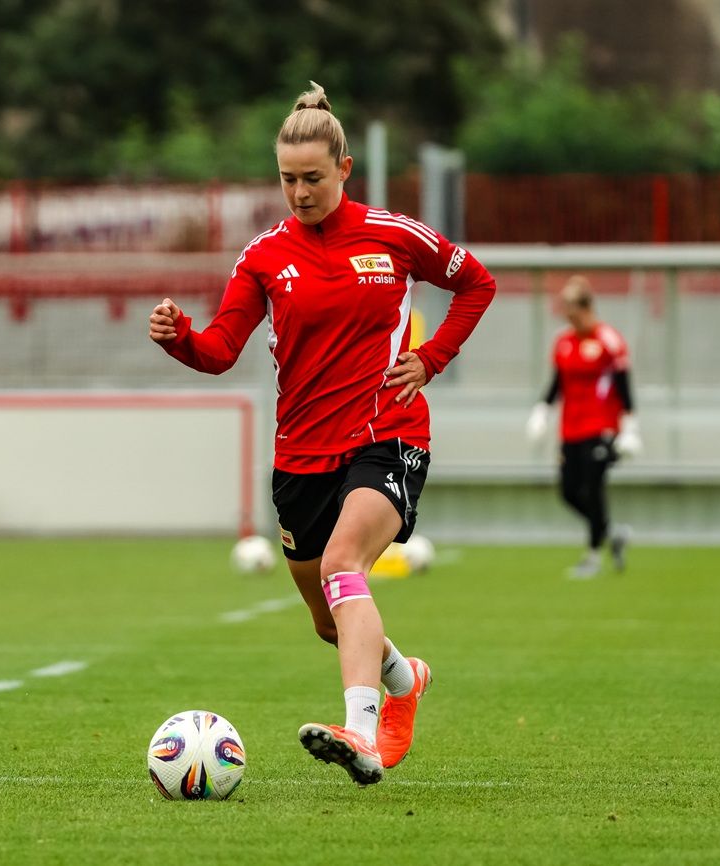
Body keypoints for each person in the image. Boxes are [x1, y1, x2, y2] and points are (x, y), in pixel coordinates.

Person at [149, 82, 495, 786]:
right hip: (301, 454)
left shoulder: (394, 236)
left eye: (312, 178)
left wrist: (430, 361)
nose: (299, 192)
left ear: (344, 170)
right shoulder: (263, 256)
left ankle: (359, 733)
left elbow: (477, 284)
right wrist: (180, 337)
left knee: (344, 567)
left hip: (388, 434)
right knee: (329, 620)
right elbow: (221, 349)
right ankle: (405, 681)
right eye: (286, 180)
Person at [525, 276, 641, 578]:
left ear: (586, 306)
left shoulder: (608, 341)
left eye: (572, 307)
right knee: (569, 491)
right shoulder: (564, 342)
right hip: (571, 429)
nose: (567, 314)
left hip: (601, 427)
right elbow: (557, 384)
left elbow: (623, 387)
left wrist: (629, 429)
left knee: (593, 487)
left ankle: (592, 555)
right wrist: (542, 411)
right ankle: (612, 532)